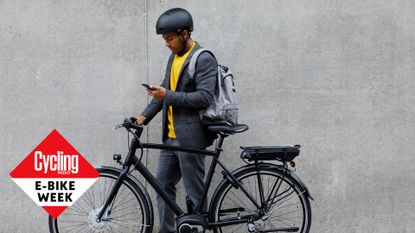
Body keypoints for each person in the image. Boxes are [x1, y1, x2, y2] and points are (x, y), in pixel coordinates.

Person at [134, 8, 218, 233]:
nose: (167, 44)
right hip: (169, 139)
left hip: (190, 137)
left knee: (195, 194)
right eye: (164, 39)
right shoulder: (174, 58)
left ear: (184, 33)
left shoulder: (203, 58)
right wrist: (142, 117)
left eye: (169, 38)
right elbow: (164, 92)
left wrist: (167, 95)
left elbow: (205, 96)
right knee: (162, 187)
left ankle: (200, 229)